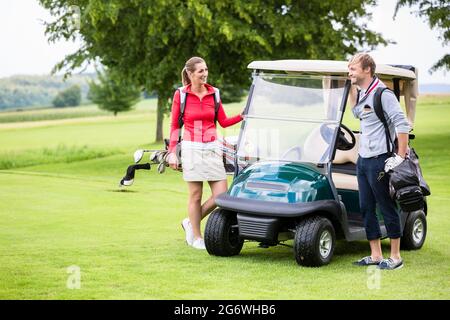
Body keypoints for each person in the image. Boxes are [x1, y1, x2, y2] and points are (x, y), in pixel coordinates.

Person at [167, 57, 243, 250]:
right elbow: (175, 124)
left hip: (212, 148)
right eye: (200, 71)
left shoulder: (214, 93)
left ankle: (189, 222)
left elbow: (223, 122)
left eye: (206, 70)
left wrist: (243, 115)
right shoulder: (181, 95)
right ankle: (197, 236)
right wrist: (172, 153)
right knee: (195, 195)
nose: (205, 74)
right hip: (191, 147)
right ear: (191, 74)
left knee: (222, 195)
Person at [348, 53, 411, 270]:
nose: (350, 73)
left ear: (367, 69)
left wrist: (400, 156)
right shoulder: (364, 92)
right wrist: (351, 90)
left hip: (380, 161)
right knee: (366, 207)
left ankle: (395, 257)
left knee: (386, 206)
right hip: (363, 160)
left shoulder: (383, 93)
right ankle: (375, 255)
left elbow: (401, 124)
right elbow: (357, 113)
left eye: (353, 69)